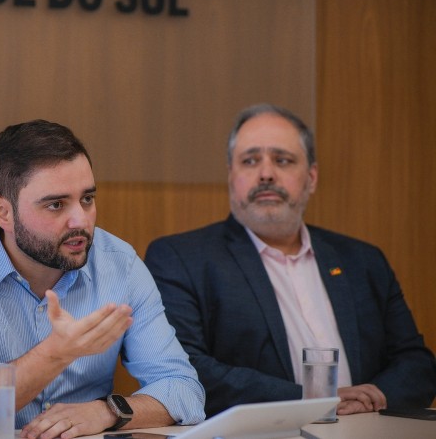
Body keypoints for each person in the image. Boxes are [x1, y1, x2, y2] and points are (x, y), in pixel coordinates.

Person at [144, 103, 436, 417]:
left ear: (311, 177)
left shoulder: (363, 260)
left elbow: (417, 364)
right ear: (231, 176)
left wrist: (375, 397)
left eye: (282, 160)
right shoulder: (182, 259)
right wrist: (316, 400)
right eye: (250, 160)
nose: (266, 173)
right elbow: (188, 369)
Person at [0, 120, 205, 438]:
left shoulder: (120, 264)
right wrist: (58, 352)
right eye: (56, 205)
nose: (81, 220)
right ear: (3, 213)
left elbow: (185, 392)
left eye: (87, 199)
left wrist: (107, 411)